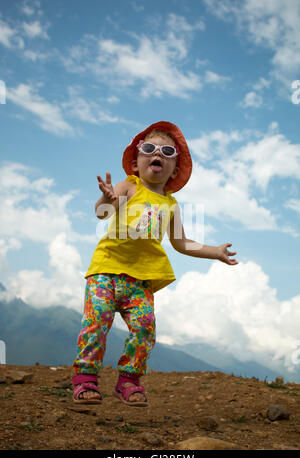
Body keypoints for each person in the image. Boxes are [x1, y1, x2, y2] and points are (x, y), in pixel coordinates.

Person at [72, 121, 238, 407]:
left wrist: (215, 252)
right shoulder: (129, 187)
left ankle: (128, 382)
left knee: (145, 329)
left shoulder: (171, 205)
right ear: (136, 163)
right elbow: (101, 213)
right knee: (97, 320)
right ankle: (86, 378)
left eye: (166, 151)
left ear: (175, 169)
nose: (156, 154)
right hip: (105, 272)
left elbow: (182, 243)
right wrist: (107, 198)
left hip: (141, 282)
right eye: (148, 149)